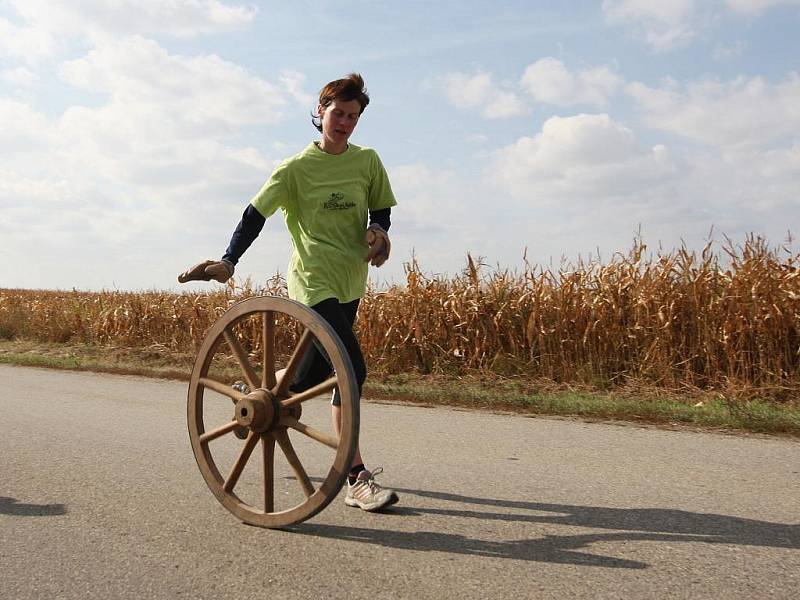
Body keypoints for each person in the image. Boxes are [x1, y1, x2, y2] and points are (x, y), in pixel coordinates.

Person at [179, 73, 399, 512]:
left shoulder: (368, 161)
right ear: (320, 112)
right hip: (313, 280)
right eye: (338, 113)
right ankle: (356, 479)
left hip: (351, 279)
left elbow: (382, 209)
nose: (345, 123)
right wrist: (229, 260)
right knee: (351, 368)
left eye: (353, 116)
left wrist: (379, 231)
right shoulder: (295, 169)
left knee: (311, 376)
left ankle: (252, 398)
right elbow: (254, 214)